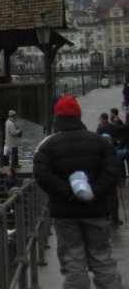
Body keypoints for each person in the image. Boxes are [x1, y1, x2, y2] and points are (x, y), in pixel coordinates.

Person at [33, 95, 123, 289]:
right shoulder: (98, 142)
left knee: (73, 260)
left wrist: (67, 192)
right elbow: (113, 170)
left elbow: (41, 173)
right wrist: (95, 192)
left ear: (58, 118)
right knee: (102, 259)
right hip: (96, 209)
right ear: (78, 117)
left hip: (65, 212)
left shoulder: (48, 146)